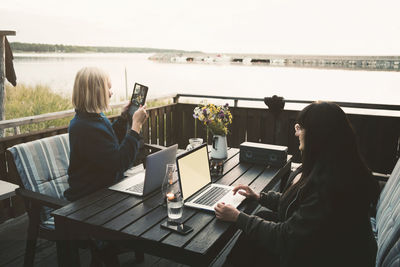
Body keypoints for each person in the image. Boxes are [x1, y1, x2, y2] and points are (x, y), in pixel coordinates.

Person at [215, 101, 379, 267]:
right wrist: (259, 197)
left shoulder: (330, 186)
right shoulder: (335, 164)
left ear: (318, 135)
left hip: (325, 258)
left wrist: (237, 217)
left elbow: (285, 238)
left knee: (252, 234)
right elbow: (299, 202)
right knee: (263, 217)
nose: (297, 133)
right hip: (323, 246)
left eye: (301, 128)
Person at [65, 67, 148, 201]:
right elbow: (118, 164)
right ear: (96, 92)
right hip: (89, 200)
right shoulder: (84, 127)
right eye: (107, 89)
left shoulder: (92, 118)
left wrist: (123, 118)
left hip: (107, 191)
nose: (111, 93)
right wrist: (136, 127)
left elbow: (107, 143)